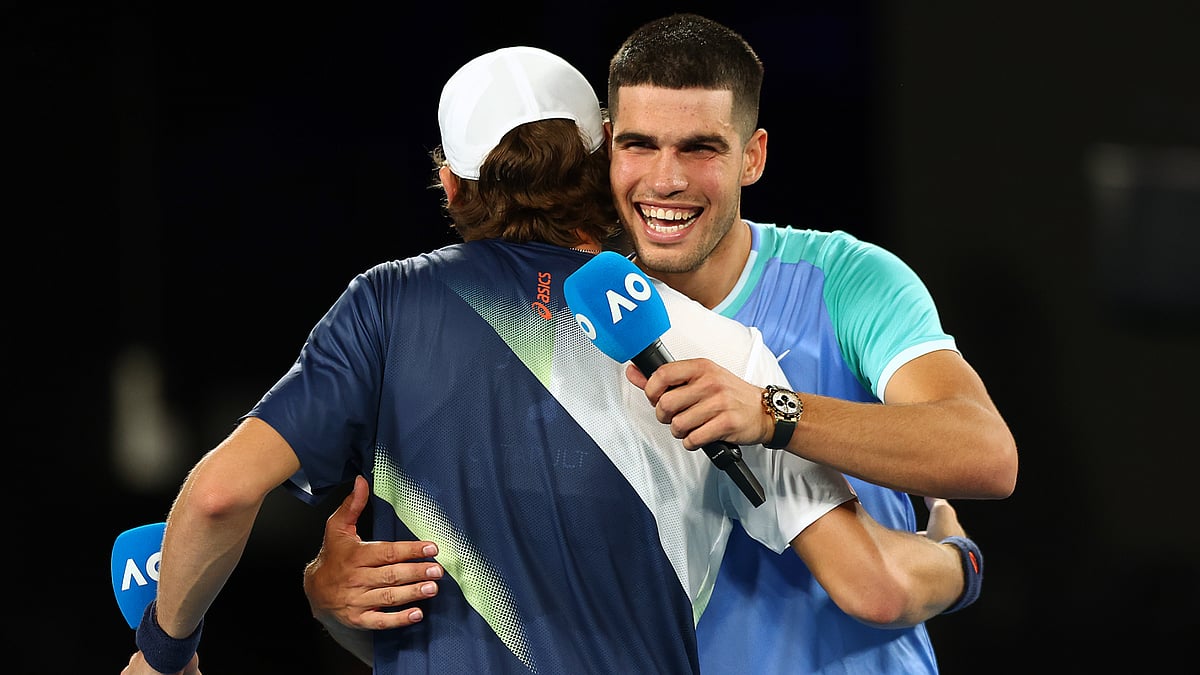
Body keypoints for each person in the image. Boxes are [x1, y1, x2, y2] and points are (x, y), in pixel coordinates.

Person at [120, 45, 980, 675]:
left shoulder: (382, 306)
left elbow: (223, 493)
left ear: (449, 183)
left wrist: (167, 653)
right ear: (604, 161)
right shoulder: (718, 352)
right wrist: (959, 555)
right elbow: (870, 582)